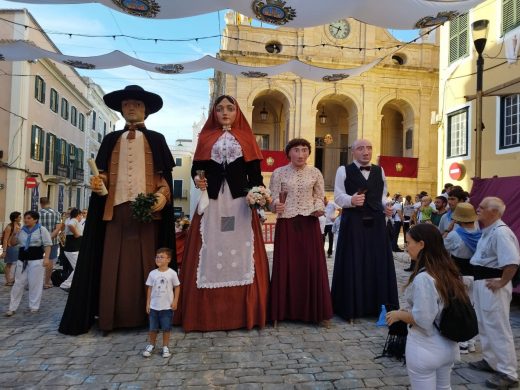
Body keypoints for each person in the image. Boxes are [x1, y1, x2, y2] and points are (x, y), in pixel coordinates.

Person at [59, 85, 176, 335]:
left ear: (145, 109)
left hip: (146, 216)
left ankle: (148, 315)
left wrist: (162, 196)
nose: (131, 108)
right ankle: (111, 317)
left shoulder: (157, 139)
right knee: (110, 263)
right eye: (126, 104)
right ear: (121, 109)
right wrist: (98, 181)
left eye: (136, 104)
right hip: (114, 213)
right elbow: (103, 172)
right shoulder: (111, 139)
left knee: (148, 264)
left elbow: (163, 176)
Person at [174, 95, 269, 332]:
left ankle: (242, 309)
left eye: (229, 108)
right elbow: (197, 168)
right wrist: (198, 179)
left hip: (239, 201)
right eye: (219, 109)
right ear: (213, 113)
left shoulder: (247, 138)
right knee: (209, 248)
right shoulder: (205, 138)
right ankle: (205, 310)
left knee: (242, 248)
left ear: (237, 112)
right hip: (212, 200)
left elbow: (255, 175)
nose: (225, 112)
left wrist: (257, 194)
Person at [386, 224, 466, 389]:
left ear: (421, 244)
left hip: (426, 347)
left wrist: (398, 315)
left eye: (408, 243)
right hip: (448, 345)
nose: (406, 247)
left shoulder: (425, 277)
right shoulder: (447, 270)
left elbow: (423, 319)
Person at [332, 139, 398, 322]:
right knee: (353, 261)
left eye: (369, 148)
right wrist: (351, 201)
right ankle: (351, 308)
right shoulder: (343, 170)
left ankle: (378, 307)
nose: (366, 152)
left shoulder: (380, 170)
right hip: (353, 222)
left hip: (376, 223)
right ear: (353, 151)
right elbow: (338, 196)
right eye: (361, 148)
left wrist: (387, 206)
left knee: (378, 262)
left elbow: (383, 195)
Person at [269, 138, 333, 325]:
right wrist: (275, 205)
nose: (301, 154)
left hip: (309, 222)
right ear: (289, 153)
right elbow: (272, 199)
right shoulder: (278, 173)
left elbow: (319, 197)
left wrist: (319, 207)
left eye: (305, 150)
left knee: (312, 265)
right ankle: (281, 312)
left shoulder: (315, 172)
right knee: (285, 265)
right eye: (296, 150)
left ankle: (317, 312)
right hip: (287, 223)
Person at [469, 197, 519, 389]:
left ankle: (508, 373)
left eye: (482, 207)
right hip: (482, 283)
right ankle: (490, 361)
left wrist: (503, 281)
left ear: (495, 212)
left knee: (498, 327)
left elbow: (512, 261)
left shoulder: (501, 233)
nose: (478, 209)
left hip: (493, 285)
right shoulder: (488, 231)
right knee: (484, 323)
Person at [443, 202, 481, 355]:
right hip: (476, 275)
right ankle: (471, 342)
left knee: (461, 308)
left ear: (458, 219)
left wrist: (448, 228)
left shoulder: (455, 235)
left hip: (459, 276)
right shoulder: (481, 234)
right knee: (473, 307)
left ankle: (463, 343)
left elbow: (442, 247)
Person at [5, 211, 52, 316]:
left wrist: (47, 258)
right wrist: (14, 234)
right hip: (22, 260)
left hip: (36, 260)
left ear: (35, 219)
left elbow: (47, 244)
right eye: (25, 218)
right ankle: (12, 307)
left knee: (35, 283)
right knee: (18, 283)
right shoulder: (21, 230)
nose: (26, 220)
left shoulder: (41, 230)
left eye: (29, 218)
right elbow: (12, 243)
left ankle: (34, 307)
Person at [143, 248, 180, 358]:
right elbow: (149, 289)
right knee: (153, 328)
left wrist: (175, 301)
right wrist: (148, 303)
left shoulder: (172, 273)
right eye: (157, 257)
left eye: (161, 257)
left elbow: (177, 287)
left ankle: (165, 347)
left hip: (167, 307)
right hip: (154, 307)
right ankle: (151, 345)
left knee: (166, 328)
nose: (158, 259)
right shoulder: (152, 274)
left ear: (168, 259)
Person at [39, 197, 62, 289]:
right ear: (49, 202)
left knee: (37, 260)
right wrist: (49, 237)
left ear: (41, 204)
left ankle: (35, 282)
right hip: (53, 241)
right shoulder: (57, 213)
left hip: (39, 241)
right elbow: (58, 228)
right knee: (50, 260)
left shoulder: (37, 214)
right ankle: (47, 282)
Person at [59, 208, 84, 292]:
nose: (82, 217)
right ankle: (66, 285)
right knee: (78, 268)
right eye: (81, 215)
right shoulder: (73, 220)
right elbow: (70, 225)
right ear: (78, 215)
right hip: (72, 249)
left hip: (73, 248)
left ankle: (70, 284)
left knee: (78, 267)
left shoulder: (71, 220)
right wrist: (76, 233)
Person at [1, 211, 21, 286]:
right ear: (15, 218)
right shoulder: (9, 227)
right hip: (10, 247)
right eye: (19, 217)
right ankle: (8, 280)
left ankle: (12, 278)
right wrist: (4, 251)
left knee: (15, 263)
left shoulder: (19, 225)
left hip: (17, 246)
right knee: (9, 264)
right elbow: (5, 239)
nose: (20, 218)